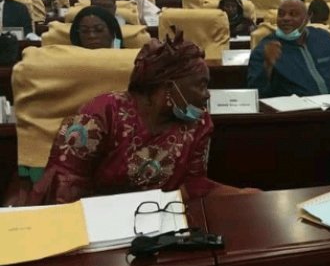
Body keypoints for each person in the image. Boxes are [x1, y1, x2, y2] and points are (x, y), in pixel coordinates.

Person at [28, 31, 258, 204]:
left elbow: (192, 182)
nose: (207, 95)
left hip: (159, 221)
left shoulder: (198, 122)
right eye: (201, 85)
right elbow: (64, 186)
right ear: (169, 87)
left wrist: (239, 195)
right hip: (92, 221)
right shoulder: (99, 114)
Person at [246, 0, 330, 98]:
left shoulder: (323, 38)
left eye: (293, 14)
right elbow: (256, 93)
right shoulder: (265, 48)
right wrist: (267, 66)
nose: (285, 18)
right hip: (295, 112)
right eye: (281, 14)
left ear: (307, 18)